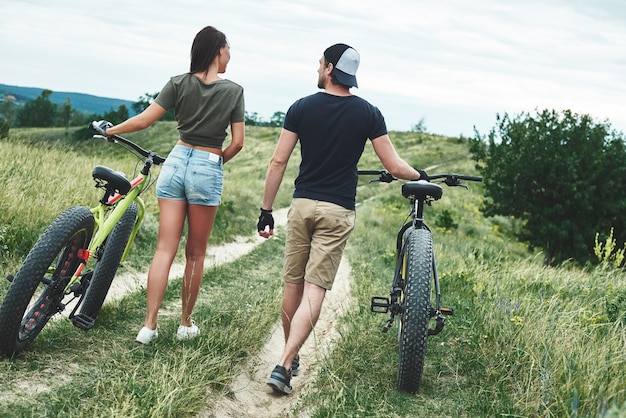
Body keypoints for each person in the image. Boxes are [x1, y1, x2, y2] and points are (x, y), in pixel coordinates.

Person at [257, 43, 427, 394]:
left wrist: (266, 210)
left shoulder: (301, 107)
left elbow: (278, 161)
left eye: (320, 64)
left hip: (303, 205)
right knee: (314, 289)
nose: (317, 69)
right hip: (337, 212)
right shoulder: (368, 113)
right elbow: (394, 167)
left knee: (293, 284)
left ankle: (288, 358)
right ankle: (286, 363)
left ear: (330, 68)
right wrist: (419, 174)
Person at [93, 26, 245, 345]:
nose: (231, 54)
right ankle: (185, 324)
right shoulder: (234, 90)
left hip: (175, 162)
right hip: (208, 165)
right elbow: (238, 143)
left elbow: (145, 120)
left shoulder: (178, 82)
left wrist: (110, 131)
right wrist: (214, 163)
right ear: (218, 50)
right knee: (195, 253)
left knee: (165, 248)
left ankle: (149, 326)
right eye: (228, 49)